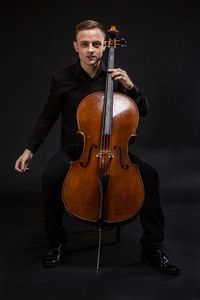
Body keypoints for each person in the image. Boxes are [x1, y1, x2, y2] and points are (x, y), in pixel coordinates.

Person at [15, 19, 180, 275]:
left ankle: (152, 247)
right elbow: (47, 116)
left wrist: (131, 87)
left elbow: (142, 110)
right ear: (75, 47)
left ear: (105, 46)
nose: (91, 49)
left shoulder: (115, 78)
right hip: (75, 151)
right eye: (85, 44)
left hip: (114, 151)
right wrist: (30, 149)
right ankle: (56, 240)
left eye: (96, 44)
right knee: (49, 178)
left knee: (150, 176)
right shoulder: (61, 79)